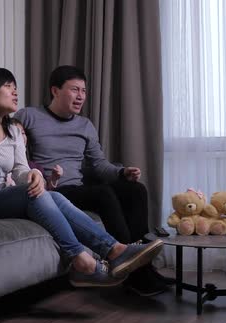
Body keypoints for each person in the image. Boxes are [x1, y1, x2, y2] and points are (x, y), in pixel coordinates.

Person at [0, 70, 164, 288]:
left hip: (4, 196)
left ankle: (110, 251)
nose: (15, 92)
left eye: (15, 87)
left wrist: (35, 175)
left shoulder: (14, 130)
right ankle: (87, 257)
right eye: (8, 86)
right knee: (36, 194)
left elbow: (20, 170)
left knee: (49, 194)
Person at [13, 65, 173, 296]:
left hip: (78, 188)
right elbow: (15, 152)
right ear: (55, 91)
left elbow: (99, 165)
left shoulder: (85, 125)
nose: (81, 96)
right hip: (53, 190)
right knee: (102, 193)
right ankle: (132, 272)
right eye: (75, 90)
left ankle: (143, 267)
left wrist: (122, 172)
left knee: (135, 189)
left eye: (84, 91)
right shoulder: (28, 116)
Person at [9, 117, 63, 190]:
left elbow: (45, 188)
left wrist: (54, 178)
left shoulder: (35, 167)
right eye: (15, 134)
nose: (20, 137)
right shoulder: (7, 166)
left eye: (22, 133)